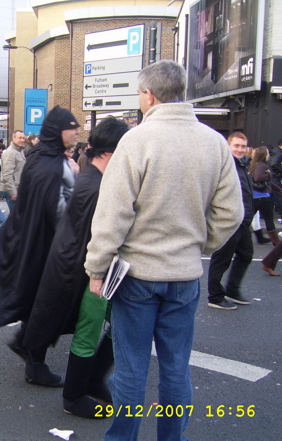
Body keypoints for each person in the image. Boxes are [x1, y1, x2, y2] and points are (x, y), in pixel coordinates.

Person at [84, 61, 243, 441]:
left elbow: (113, 213)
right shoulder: (213, 142)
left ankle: (123, 437)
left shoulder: (137, 140)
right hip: (185, 274)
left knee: (132, 369)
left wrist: (97, 268)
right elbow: (231, 213)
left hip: (138, 274)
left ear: (149, 95)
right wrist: (199, 244)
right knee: (175, 368)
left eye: (139, 94)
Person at [23, 116, 129, 417]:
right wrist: (94, 277)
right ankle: (75, 396)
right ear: (111, 152)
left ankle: (92, 381)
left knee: (116, 324)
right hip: (88, 274)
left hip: (84, 271)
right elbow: (95, 239)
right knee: (90, 331)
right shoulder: (97, 187)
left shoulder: (91, 179)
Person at [0, 106, 80, 387]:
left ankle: (26, 345)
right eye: (71, 127)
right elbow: (57, 210)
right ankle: (34, 361)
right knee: (49, 302)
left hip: (38, 242)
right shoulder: (49, 163)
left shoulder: (43, 157)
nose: (77, 132)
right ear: (57, 131)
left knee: (43, 301)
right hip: (46, 246)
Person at [206, 133, 254, 309]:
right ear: (228, 146)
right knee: (221, 259)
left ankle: (232, 290)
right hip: (228, 221)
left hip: (243, 222)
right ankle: (215, 297)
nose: (240, 149)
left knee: (246, 255)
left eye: (243, 146)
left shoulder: (243, 165)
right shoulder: (225, 166)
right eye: (237, 146)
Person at [249, 146, 281, 245]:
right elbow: (258, 178)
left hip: (254, 196)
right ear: (263, 155)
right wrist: (269, 175)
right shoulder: (262, 165)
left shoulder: (254, 165)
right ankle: (276, 242)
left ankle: (258, 238)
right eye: (267, 153)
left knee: (248, 219)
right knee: (269, 220)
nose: (269, 155)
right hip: (263, 197)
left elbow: (268, 182)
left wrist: (279, 189)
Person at [0, 130, 26, 211]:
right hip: (11, 190)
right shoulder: (10, 153)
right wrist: (13, 192)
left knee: (18, 216)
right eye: (19, 138)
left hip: (17, 188)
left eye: (23, 138)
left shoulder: (20, 151)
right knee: (16, 216)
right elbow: (7, 175)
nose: (22, 140)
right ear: (13, 138)